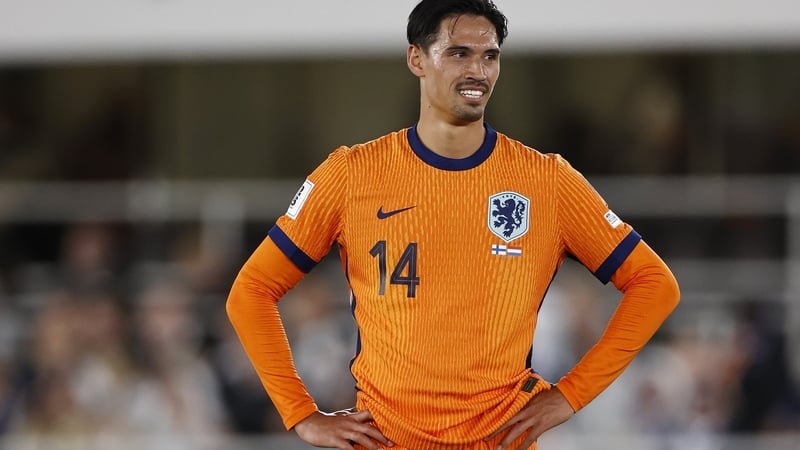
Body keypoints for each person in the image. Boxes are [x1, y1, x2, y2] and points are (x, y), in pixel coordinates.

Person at [226, 1, 680, 449]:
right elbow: (251, 291)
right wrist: (301, 413)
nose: (477, 71)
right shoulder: (351, 174)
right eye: (458, 53)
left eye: (490, 56)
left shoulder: (547, 181)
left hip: (499, 442)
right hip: (386, 441)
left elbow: (655, 284)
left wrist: (571, 395)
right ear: (416, 58)